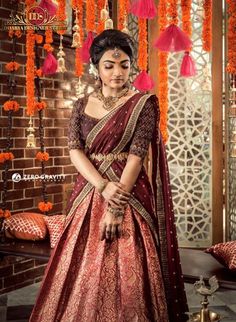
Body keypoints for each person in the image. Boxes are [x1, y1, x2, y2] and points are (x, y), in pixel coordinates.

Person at [30, 29, 188, 322]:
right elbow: (75, 151)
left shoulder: (143, 104)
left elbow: (137, 156)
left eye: (124, 65)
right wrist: (102, 185)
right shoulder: (80, 105)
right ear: (96, 67)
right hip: (90, 192)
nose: (117, 72)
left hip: (128, 197)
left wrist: (116, 208)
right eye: (109, 65)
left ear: (132, 66)